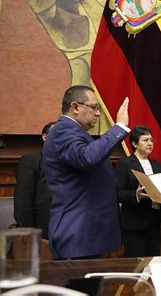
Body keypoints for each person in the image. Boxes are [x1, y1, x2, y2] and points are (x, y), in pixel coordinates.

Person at [42, 85, 130, 260]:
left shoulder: (74, 132)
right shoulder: (63, 130)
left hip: (86, 235)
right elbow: (87, 157)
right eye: (94, 107)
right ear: (75, 107)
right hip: (77, 234)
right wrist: (119, 127)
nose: (98, 113)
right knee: (80, 288)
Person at [115, 126, 161, 257]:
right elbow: (117, 194)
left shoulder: (158, 165)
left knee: (153, 263)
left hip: (155, 222)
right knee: (136, 264)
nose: (150, 143)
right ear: (134, 144)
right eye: (145, 140)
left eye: (152, 140)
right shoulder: (124, 164)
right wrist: (135, 195)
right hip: (134, 223)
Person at [14, 122, 56, 240]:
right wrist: (29, 235)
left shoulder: (71, 160)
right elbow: (23, 204)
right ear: (45, 137)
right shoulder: (31, 160)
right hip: (40, 231)